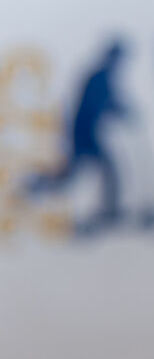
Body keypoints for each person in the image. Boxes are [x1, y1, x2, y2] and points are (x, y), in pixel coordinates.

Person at [26, 38, 140, 235]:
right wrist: (121, 111)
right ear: (112, 57)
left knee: (88, 172)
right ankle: (35, 187)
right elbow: (99, 103)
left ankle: (35, 186)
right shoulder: (100, 77)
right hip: (84, 133)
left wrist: (122, 112)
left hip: (86, 132)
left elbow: (107, 103)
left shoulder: (103, 76)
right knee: (96, 171)